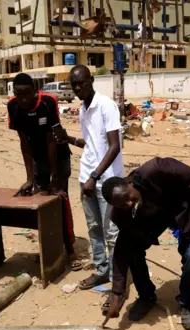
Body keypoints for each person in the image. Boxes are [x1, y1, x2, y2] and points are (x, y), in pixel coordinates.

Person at [100, 157, 190, 330]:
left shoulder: (155, 170)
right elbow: (121, 252)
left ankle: (188, 304)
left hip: (182, 211)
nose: (128, 204)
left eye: (128, 198)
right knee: (133, 252)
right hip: (154, 219)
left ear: (129, 183)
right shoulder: (122, 213)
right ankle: (146, 297)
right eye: (122, 205)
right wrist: (117, 294)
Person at [54, 65, 124, 290]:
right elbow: (92, 144)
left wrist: (95, 176)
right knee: (94, 228)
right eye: (73, 84)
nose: (77, 88)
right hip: (87, 179)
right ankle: (102, 271)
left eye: (81, 83)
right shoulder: (83, 109)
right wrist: (69, 140)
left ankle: (116, 280)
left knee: (111, 233)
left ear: (91, 80)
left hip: (107, 181)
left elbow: (114, 147)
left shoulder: (106, 106)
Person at [7, 73, 77, 260]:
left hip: (58, 157)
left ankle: (69, 247)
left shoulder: (48, 101)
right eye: (18, 94)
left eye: (27, 93)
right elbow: (24, 143)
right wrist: (30, 178)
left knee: (60, 199)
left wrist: (55, 179)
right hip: (38, 158)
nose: (23, 98)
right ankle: (48, 248)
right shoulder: (12, 105)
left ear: (34, 90)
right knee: (40, 203)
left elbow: (52, 141)